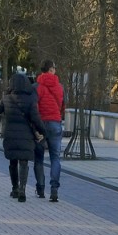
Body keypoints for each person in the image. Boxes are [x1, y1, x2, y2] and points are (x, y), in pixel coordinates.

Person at [2, 71, 47, 202]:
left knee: (12, 162)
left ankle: (15, 188)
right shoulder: (30, 99)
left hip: (10, 135)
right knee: (24, 162)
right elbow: (36, 118)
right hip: (26, 136)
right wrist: (43, 132)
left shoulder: (6, 98)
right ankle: (23, 189)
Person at [35, 60, 65, 202]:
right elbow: (62, 105)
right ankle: (54, 189)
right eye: (54, 68)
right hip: (55, 122)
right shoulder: (60, 87)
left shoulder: (37, 87)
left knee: (39, 158)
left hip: (41, 123)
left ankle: (40, 188)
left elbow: (34, 107)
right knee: (55, 157)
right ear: (51, 69)